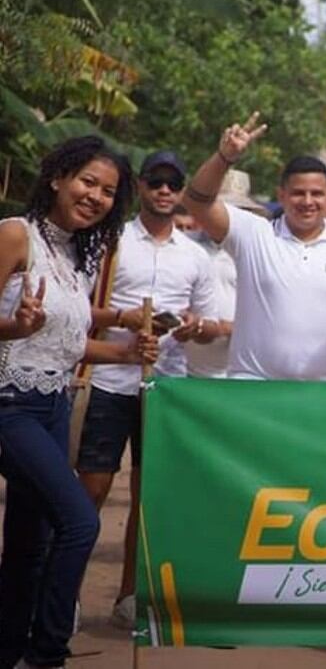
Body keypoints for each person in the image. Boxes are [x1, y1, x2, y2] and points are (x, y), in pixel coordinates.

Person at [0, 136, 156, 669]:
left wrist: (128, 351)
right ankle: (47, 652)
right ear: (56, 178)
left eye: (109, 191)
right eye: (88, 181)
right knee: (79, 522)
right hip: (9, 403)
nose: (96, 196)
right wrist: (12, 325)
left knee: (28, 542)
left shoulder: (76, 254)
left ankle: (8, 650)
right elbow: (21, 329)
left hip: (53, 404)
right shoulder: (15, 236)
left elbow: (66, 340)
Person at [76, 151, 220, 630]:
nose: (164, 190)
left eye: (172, 183)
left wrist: (193, 327)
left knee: (147, 493)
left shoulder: (196, 256)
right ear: (140, 186)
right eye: (155, 181)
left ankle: (129, 595)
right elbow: (80, 309)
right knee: (90, 488)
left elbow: (206, 322)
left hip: (165, 386)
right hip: (108, 381)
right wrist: (124, 320)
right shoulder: (110, 242)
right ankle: (66, 594)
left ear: (181, 190)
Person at [182, 113, 326, 382]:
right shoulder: (253, 234)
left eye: (317, 193)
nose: (307, 201)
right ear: (281, 195)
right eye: (298, 193)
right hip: (254, 390)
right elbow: (195, 201)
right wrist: (224, 158)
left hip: (324, 396)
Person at [182, 170, 263, 379]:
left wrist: (230, 328)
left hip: (240, 369)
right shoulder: (184, 246)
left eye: (237, 210)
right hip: (184, 367)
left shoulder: (257, 252)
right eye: (222, 209)